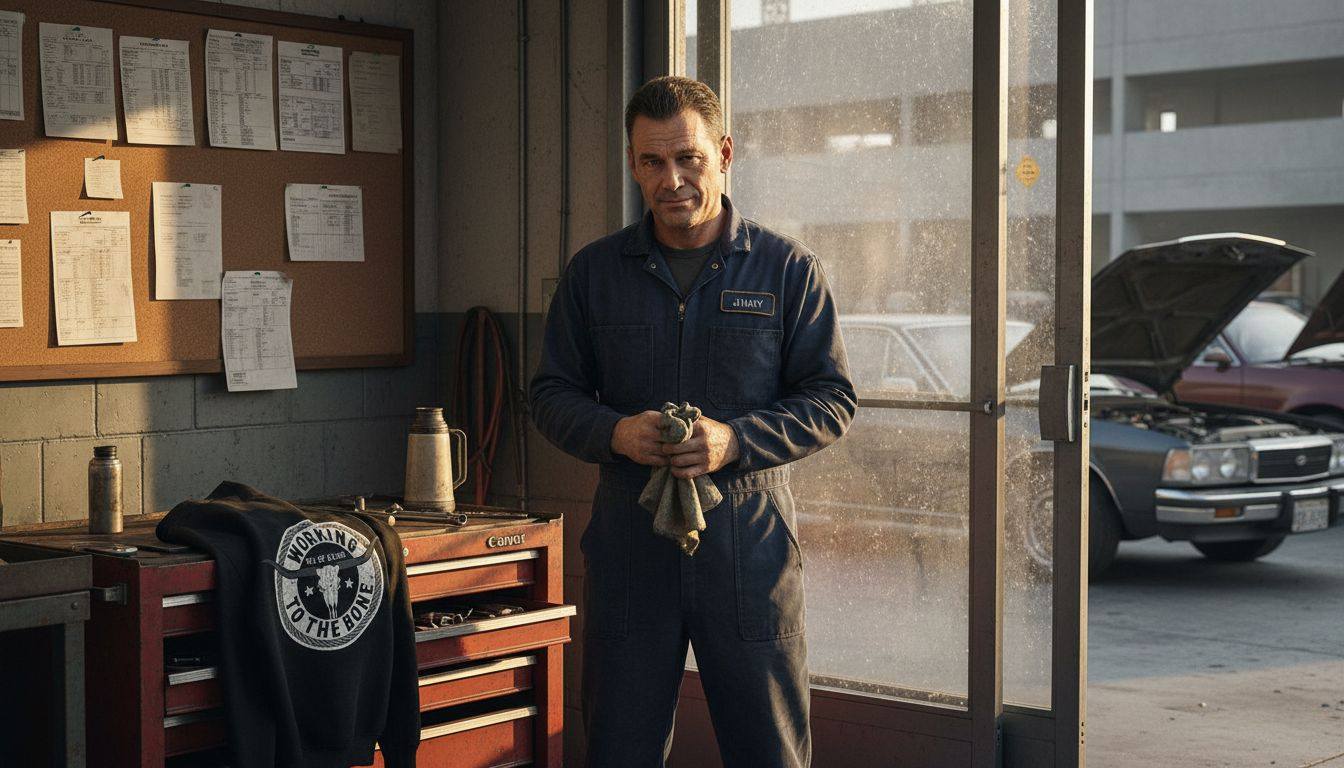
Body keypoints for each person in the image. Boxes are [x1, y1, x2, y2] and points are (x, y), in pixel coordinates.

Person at [529, 75, 856, 768]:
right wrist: (613, 433)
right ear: (632, 164)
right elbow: (552, 395)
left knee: (768, 749)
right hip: (628, 541)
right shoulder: (594, 274)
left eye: (689, 159)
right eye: (652, 161)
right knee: (619, 744)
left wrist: (737, 439)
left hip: (748, 544)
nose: (671, 179)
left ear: (725, 153)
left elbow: (831, 398)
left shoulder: (785, 270)